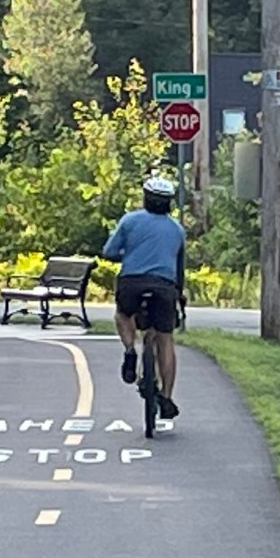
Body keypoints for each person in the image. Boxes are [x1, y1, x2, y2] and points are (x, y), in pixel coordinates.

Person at [103, 172, 186, 419]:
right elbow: (179, 268)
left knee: (122, 314)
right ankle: (167, 398)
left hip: (132, 283)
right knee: (165, 339)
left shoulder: (130, 221)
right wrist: (179, 295)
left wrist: (128, 255)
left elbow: (108, 251)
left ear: (146, 198)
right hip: (165, 286)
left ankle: (130, 350)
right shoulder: (177, 230)